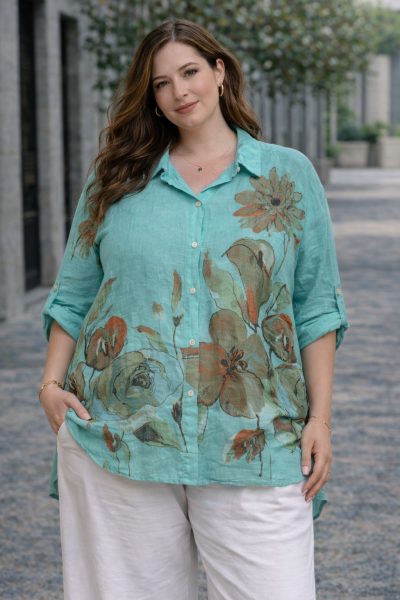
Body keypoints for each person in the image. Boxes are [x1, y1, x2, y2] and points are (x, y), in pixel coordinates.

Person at [39, 19, 349, 600]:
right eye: (162, 83)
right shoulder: (116, 178)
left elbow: (315, 308)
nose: (180, 91)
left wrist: (320, 420)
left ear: (219, 71)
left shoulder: (286, 175)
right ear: (151, 97)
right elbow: (75, 294)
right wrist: (50, 385)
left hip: (256, 438)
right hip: (119, 439)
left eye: (190, 72)